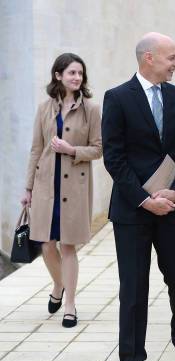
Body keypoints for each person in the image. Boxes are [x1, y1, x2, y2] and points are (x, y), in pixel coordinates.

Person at [101, 32, 175, 361]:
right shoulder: (117, 98)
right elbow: (114, 158)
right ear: (149, 59)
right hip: (133, 212)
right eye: (171, 57)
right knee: (135, 289)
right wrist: (145, 199)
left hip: (173, 207)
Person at [22, 53, 102, 328]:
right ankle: (58, 286)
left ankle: (70, 305)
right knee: (46, 245)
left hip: (75, 187)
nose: (77, 77)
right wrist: (28, 187)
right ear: (58, 76)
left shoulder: (91, 109)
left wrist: (71, 150)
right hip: (46, 185)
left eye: (80, 73)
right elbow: (36, 148)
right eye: (71, 73)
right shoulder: (44, 108)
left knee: (68, 245)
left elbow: (99, 149)